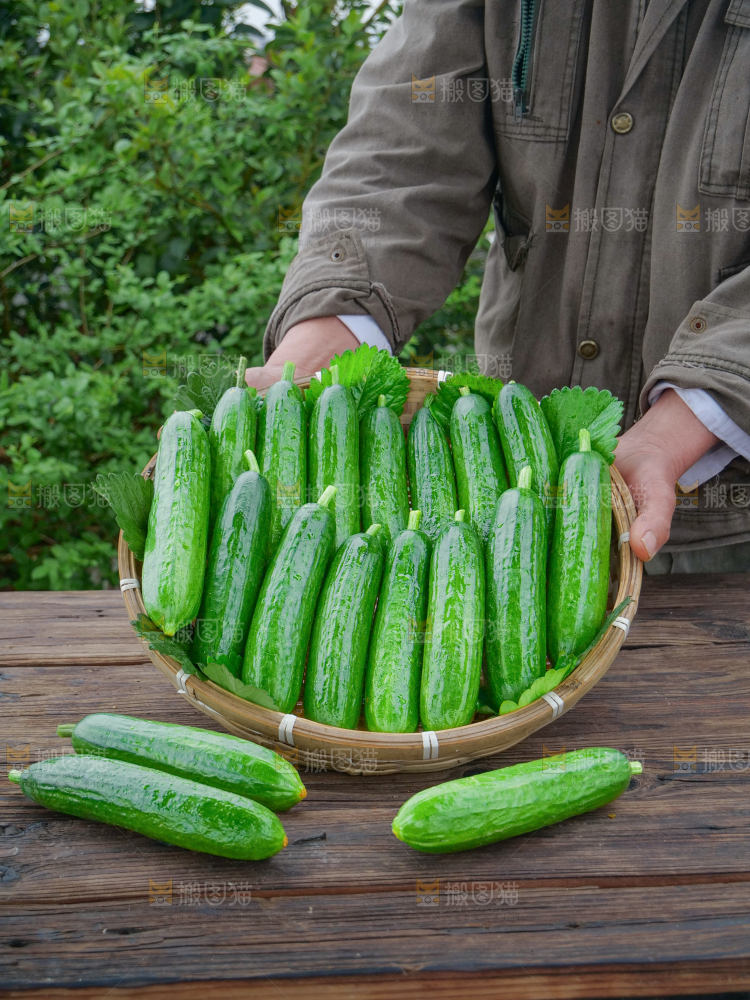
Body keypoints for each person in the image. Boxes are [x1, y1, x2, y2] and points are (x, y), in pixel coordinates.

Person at [246, 0, 750, 572]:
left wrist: (683, 424)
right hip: (512, 471)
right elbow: (410, 135)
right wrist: (334, 316)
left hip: (729, 517)